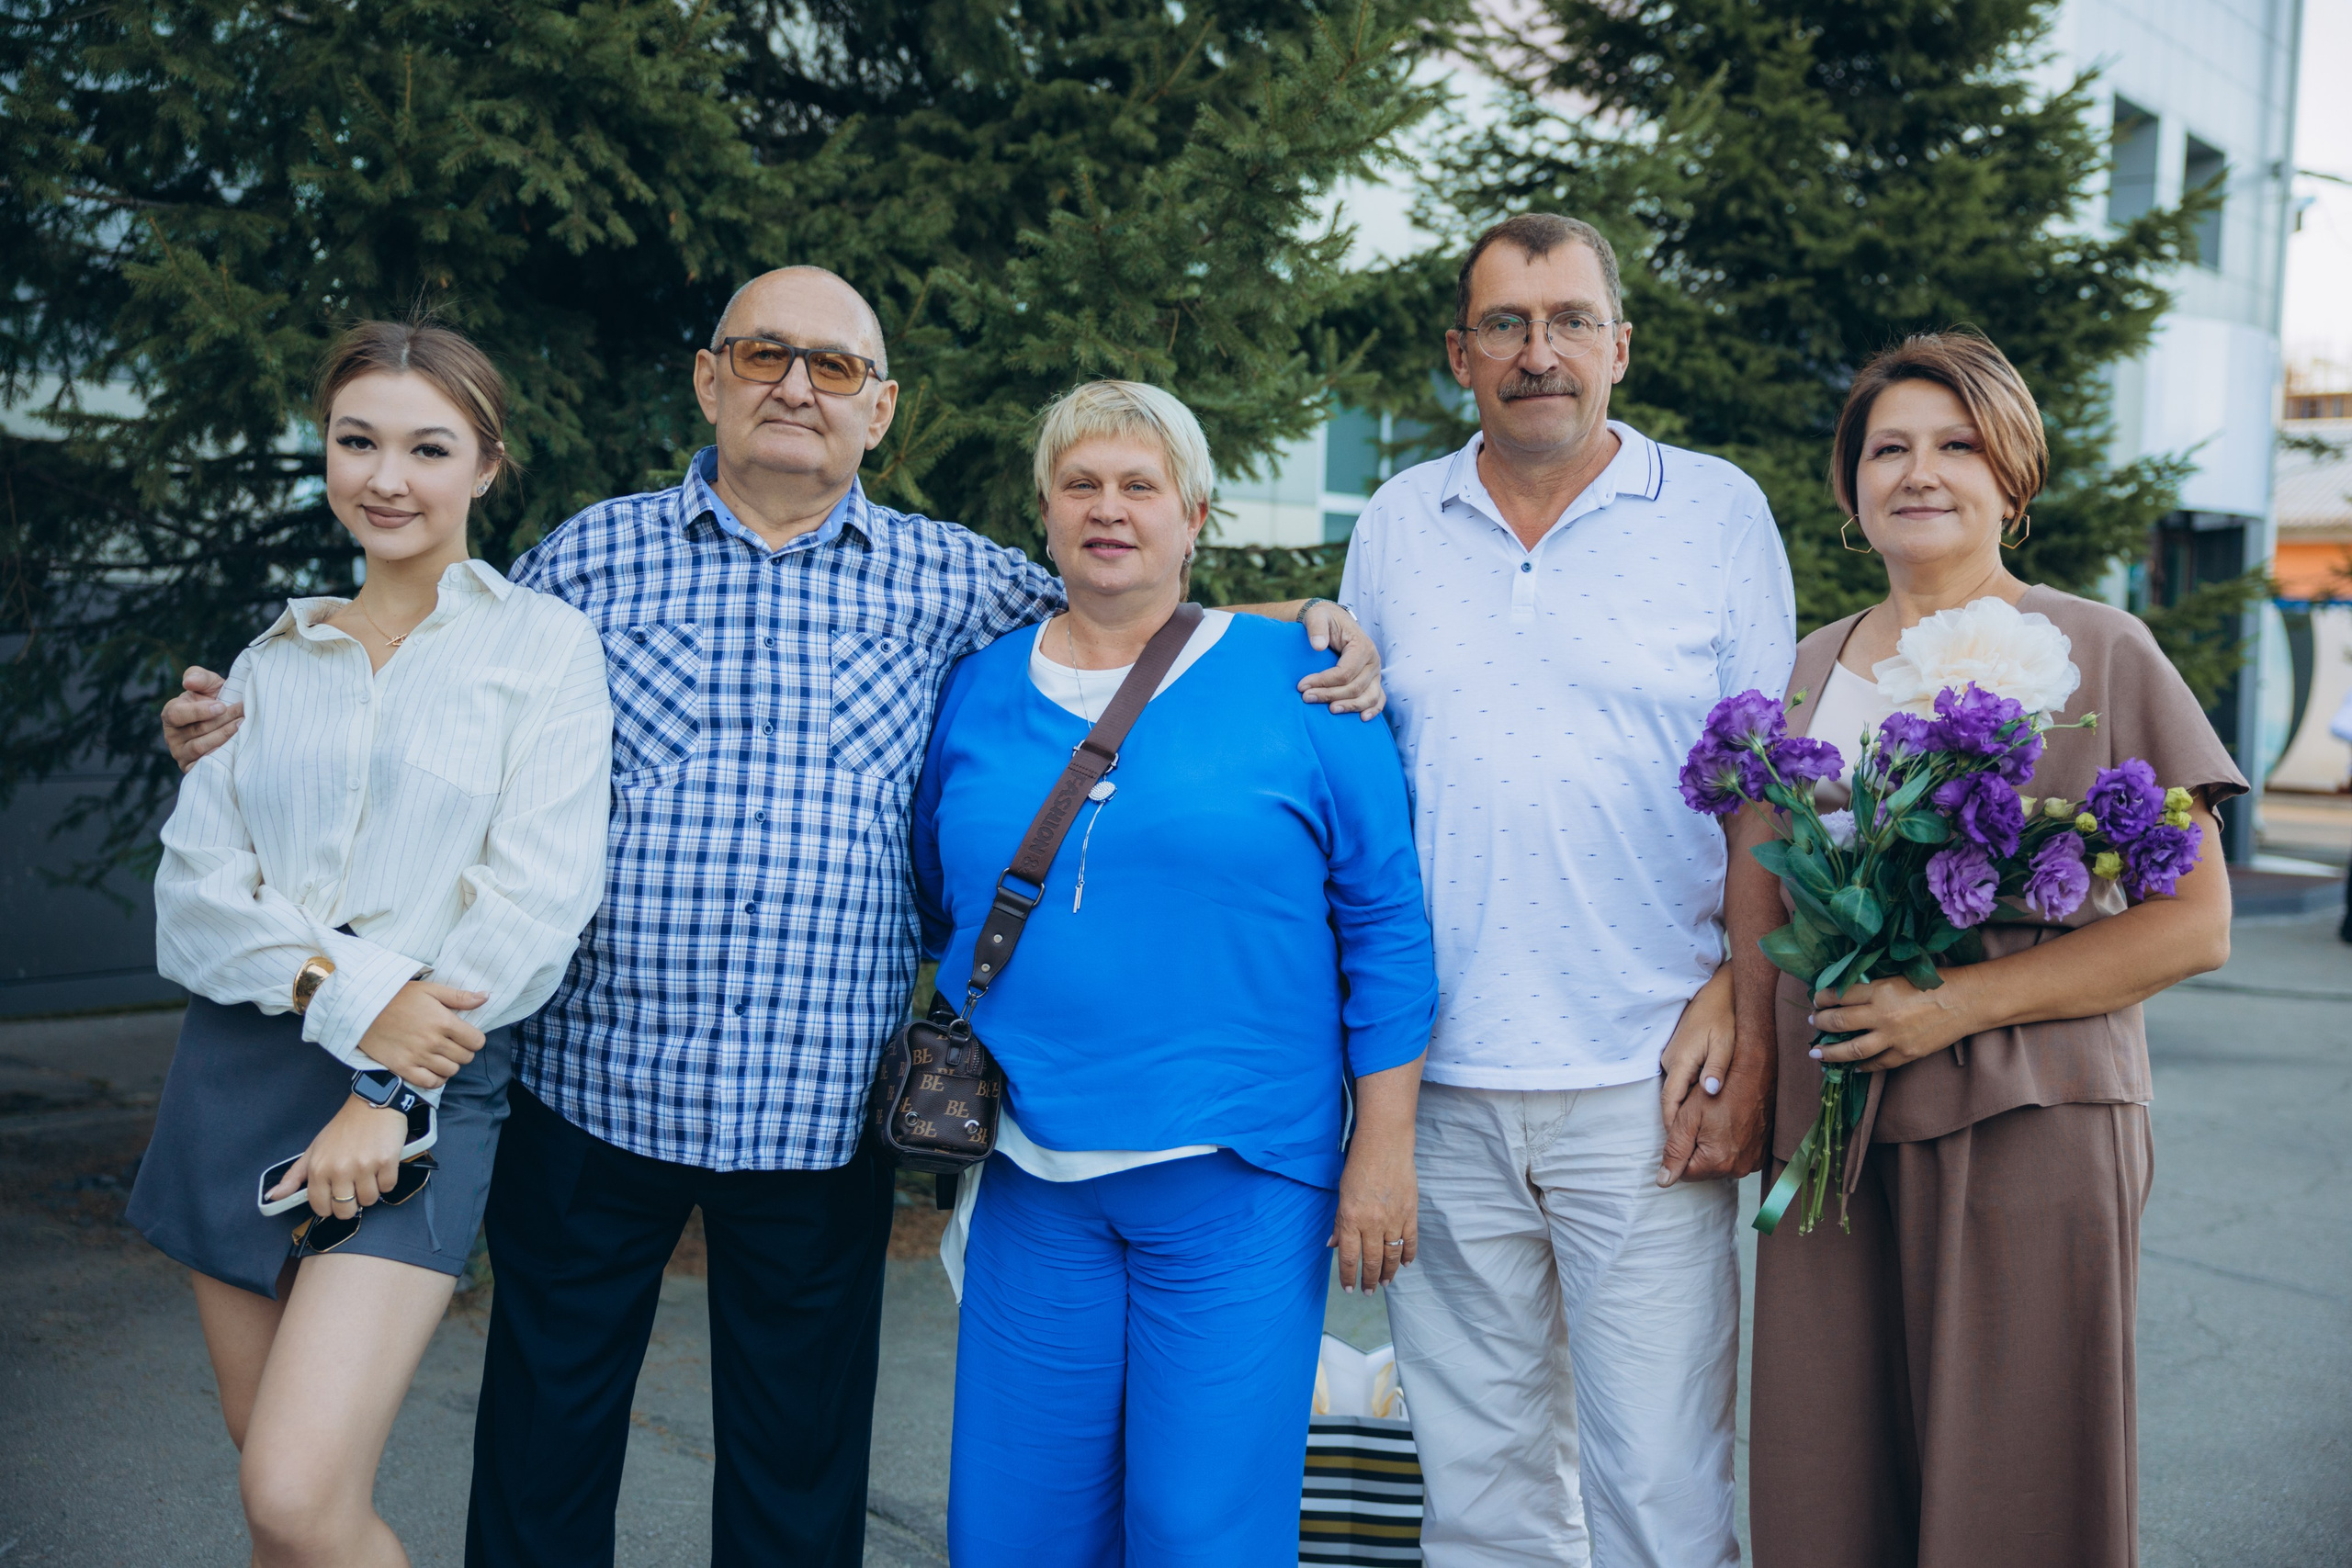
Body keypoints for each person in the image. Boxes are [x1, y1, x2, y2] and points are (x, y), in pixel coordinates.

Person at [161, 267, 1388, 1567]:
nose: (796, 386)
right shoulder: (588, 556)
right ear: (708, 379)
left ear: (881, 409)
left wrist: (1302, 621)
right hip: (594, 1086)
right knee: (543, 1452)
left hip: (817, 1107)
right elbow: (429, 666)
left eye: (835, 367)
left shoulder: (952, 581)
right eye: (762, 357)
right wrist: (244, 724)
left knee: (795, 1483)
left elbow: (1127, 615)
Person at [1733, 331, 2242, 1568]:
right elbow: (1761, 885)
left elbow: (2196, 923)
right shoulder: (1811, 668)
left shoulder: (2098, 649)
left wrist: (1949, 1010)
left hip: (2031, 1117)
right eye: (1890, 448)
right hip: (1834, 1124)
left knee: (2017, 1482)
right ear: (1850, 488)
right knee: (1827, 1471)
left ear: (2011, 477)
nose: (1921, 472)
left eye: (1956, 446)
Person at [910, 380, 1438, 1566]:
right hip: (1031, 1172)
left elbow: (1386, 925)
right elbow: (943, 897)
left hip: (1239, 1174)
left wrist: (1384, 1149)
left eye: (1139, 486)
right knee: (1017, 1532)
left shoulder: (1300, 679)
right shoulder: (979, 688)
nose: (1111, 510)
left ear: (1195, 514)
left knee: (1202, 1531)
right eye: (1082, 485)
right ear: (1043, 513)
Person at [1334, 212, 1792, 1567]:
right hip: (1448, 1085)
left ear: (1621, 347)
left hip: (1646, 1074)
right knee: (1479, 1489)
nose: (1541, 353)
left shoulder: (1714, 511)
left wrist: (1748, 1020)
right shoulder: (1398, 520)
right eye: (1508, 326)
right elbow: (1366, 793)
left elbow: (1766, 790)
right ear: (1460, 353)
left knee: (1660, 1486)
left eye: (1571, 321)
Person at [128, 320, 613, 1568]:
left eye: (426, 446)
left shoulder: (545, 651)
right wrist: (337, 986)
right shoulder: (268, 662)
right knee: (275, 1488)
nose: (385, 477)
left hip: (426, 1082)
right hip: (237, 1071)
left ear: (488, 465)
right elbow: (194, 899)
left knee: (297, 1493)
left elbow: (532, 909)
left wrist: (383, 1085)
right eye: (357, 441)